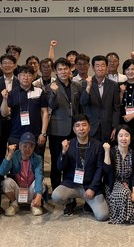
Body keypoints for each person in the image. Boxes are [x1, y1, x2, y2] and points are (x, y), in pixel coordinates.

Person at [51, 114, 109, 221]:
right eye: (77, 126)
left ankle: (88, 203)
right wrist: (63, 152)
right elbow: (60, 168)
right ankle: (70, 201)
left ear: (89, 127)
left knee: (103, 215)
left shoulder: (97, 145)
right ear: (74, 129)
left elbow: (99, 169)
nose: (81, 128)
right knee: (56, 196)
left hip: (90, 185)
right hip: (72, 184)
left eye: (84, 125)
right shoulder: (69, 144)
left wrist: (92, 188)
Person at [47, 58, 83, 191]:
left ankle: (71, 189)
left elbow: (79, 106)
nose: (63, 71)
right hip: (57, 130)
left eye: (65, 68)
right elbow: (51, 106)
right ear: (55, 71)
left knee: (72, 161)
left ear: (70, 70)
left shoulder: (77, 86)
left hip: (74, 130)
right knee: (57, 161)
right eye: (60, 69)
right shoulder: (50, 87)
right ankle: (56, 189)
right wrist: (54, 93)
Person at [102, 125, 134, 224]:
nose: (124, 138)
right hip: (114, 184)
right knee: (124, 193)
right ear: (116, 138)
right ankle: (124, 216)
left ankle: (127, 215)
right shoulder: (111, 152)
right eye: (121, 135)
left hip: (130, 184)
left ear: (130, 137)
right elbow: (106, 170)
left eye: (126, 135)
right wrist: (106, 152)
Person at [0, 65, 48, 154]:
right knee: (15, 161)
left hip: (35, 135)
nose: (26, 77)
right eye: (23, 74)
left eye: (29, 74)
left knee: (36, 161)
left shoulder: (39, 92)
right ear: (18, 77)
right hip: (16, 134)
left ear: (33, 77)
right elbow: (4, 113)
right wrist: (4, 99)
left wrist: (43, 133)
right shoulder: (12, 93)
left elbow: (44, 113)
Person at [0, 132, 45, 216]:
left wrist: (38, 195)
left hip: (31, 190)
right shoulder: (14, 156)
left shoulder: (38, 159)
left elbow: (39, 176)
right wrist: (9, 156)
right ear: (20, 146)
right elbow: (2, 172)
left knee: (41, 183)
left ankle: (34, 203)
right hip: (18, 189)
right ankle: (14, 204)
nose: (28, 149)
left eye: (31, 146)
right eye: (25, 146)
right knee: (6, 182)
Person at [80, 55, 121, 143]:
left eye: (103, 65)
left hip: (108, 127)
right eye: (97, 66)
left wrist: (115, 127)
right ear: (93, 68)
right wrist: (88, 87)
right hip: (91, 126)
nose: (100, 68)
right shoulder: (85, 83)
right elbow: (83, 103)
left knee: (107, 150)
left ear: (106, 67)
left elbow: (116, 108)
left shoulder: (113, 85)